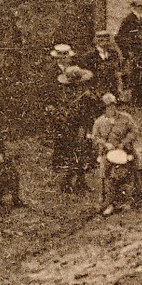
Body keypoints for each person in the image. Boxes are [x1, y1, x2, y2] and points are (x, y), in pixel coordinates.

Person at [90, 93, 142, 215]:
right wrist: (105, 144)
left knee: (129, 174)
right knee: (106, 177)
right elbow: (95, 137)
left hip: (125, 150)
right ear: (103, 108)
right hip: (108, 153)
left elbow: (135, 131)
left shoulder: (125, 118)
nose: (111, 109)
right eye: (108, 106)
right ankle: (108, 203)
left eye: (113, 106)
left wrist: (124, 143)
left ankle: (129, 199)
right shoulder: (99, 122)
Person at [55, 66, 102, 194]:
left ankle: (77, 182)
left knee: (79, 155)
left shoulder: (73, 93)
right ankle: (70, 182)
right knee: (78, 154)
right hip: (76, 127)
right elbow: (77, 113)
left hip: (76, 127)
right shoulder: (74, 95)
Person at [116, 0, 142, 108]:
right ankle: (136, 99)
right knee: (135, 75)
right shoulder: (128, 20)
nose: (141, 8)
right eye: (138, 6)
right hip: (134, 52)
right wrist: (127, 50)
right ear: (133, 6)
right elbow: (119, 37)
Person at [84, 30, 124, 100]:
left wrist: (119, 88)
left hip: (112, 89)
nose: (104, 43)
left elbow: (117, 71)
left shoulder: (113, 53)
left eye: (107, 40)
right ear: (96, 41)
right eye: (101, 40)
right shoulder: (90, 56)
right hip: (97, 90)